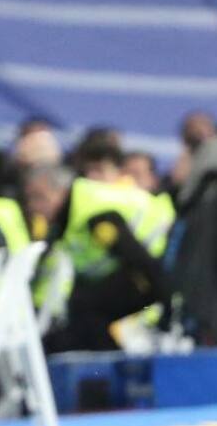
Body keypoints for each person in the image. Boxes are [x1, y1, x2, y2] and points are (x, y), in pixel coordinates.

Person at [29, 139, 174, 353]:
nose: (34, 207)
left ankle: (109, 364)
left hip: (163, 264)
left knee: (86, 307)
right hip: (147, 270)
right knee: (81, 308)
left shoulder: (95, 215)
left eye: (39, 197)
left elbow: (139, 258)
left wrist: (168, 308)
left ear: (60, 192)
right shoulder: (69, 217)